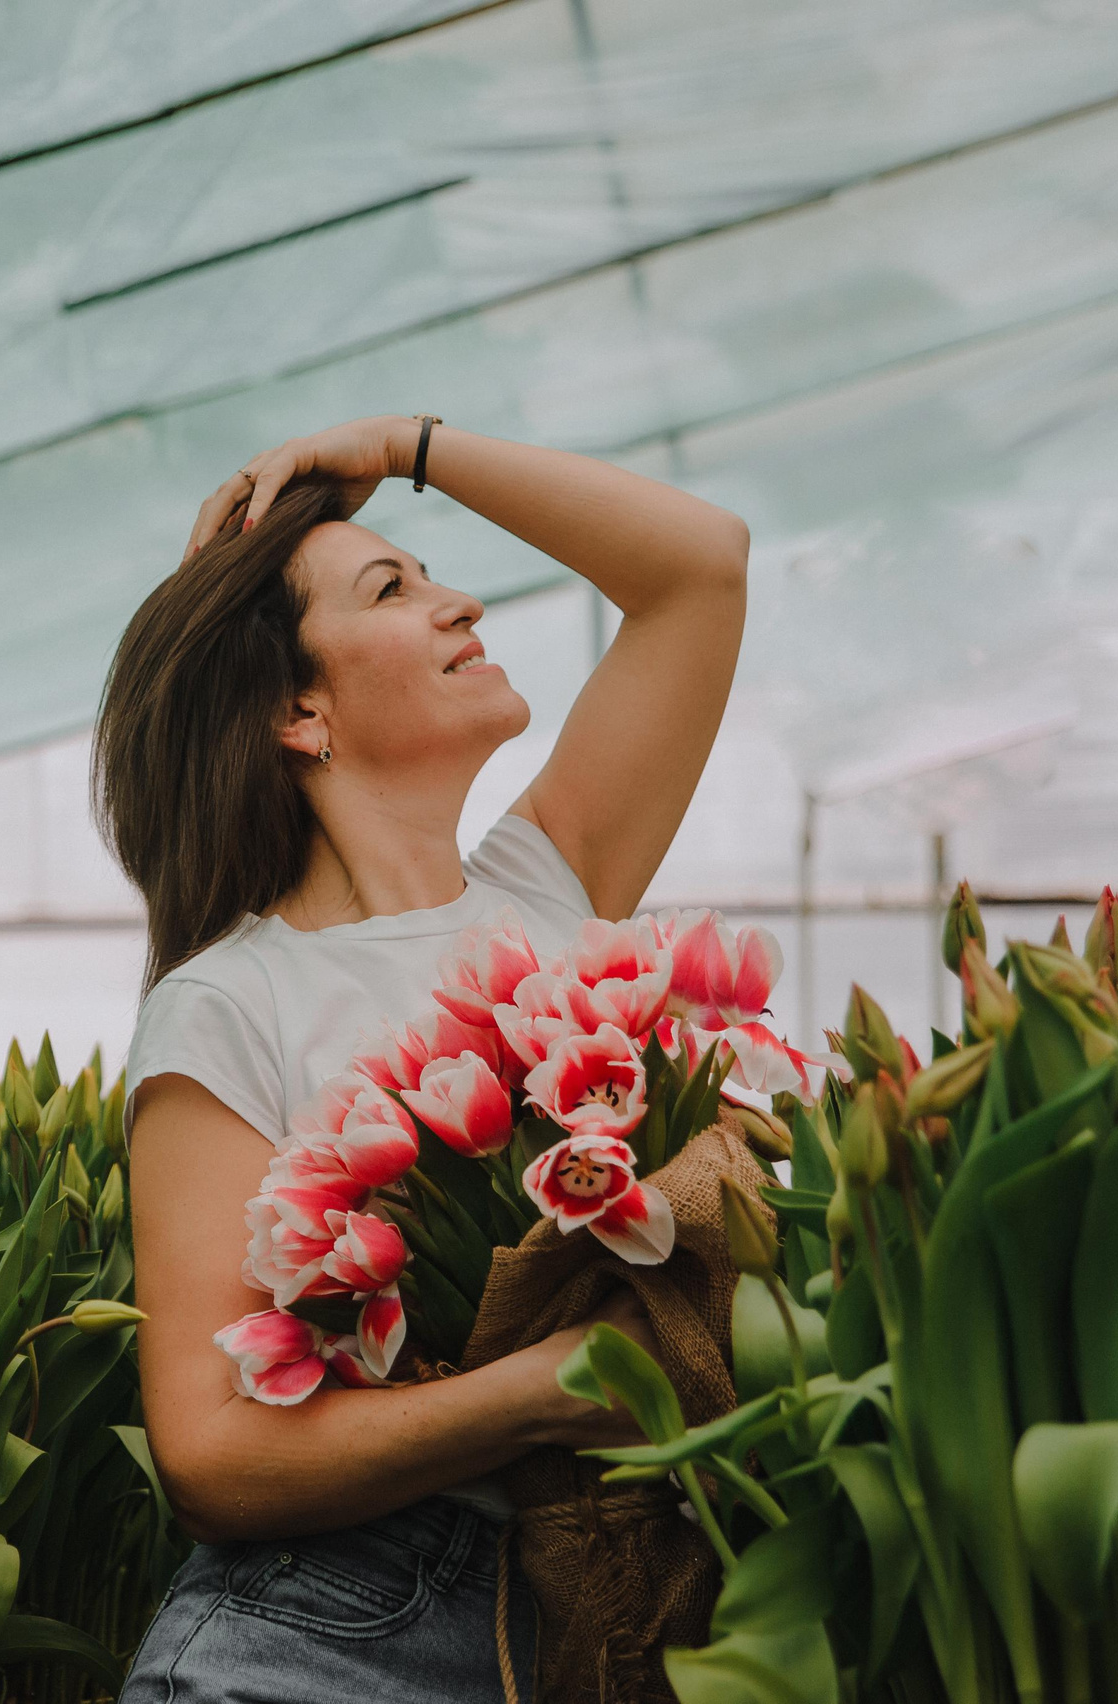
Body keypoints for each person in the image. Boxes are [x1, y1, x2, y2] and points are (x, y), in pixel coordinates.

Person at [91, 415, 749, 1702]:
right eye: (395, 588)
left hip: (611, 1610)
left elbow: (700, 566)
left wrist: (405, 443)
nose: (461, 603)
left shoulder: (549, 888)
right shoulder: (231, 999)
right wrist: (546, 1392)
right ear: (296, 708)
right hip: (331, 1640)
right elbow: (213, 1455)